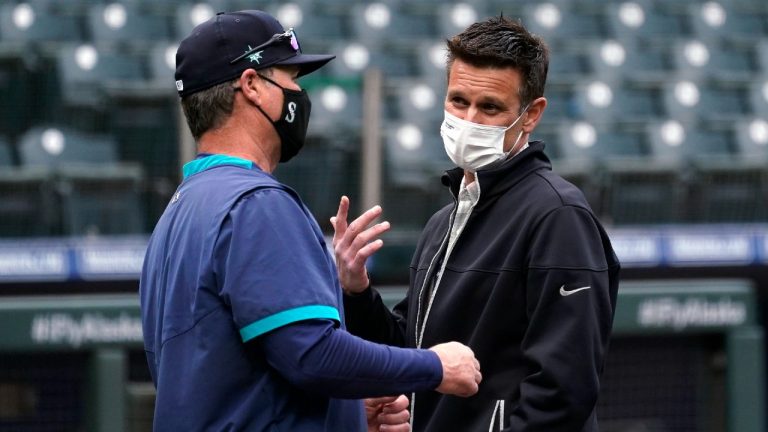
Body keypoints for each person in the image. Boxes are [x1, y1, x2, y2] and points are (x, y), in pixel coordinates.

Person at [139, 10, 482, 432]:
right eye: (291, 80)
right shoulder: (255, 203)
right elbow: (312, 356)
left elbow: (234, 379)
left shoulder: (180, 209)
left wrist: (348, 414)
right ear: (251, 86)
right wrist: (434, 365)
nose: (299, 94)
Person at [333, 16, 621, 432]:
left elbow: (563, 394)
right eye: (457, 100)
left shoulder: (558, 216)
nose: (468, 119)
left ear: (531, 115)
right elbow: (412, 350)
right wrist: (357, 291)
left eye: (489, 107)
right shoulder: (443, 221)